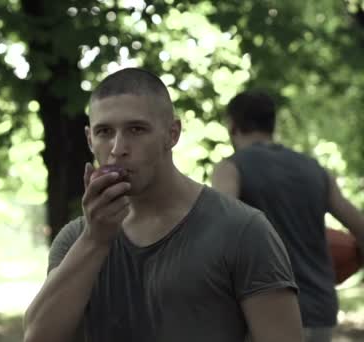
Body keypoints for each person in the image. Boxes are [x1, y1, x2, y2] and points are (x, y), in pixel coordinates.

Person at [23, 68, 304, 342]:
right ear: (89, 139)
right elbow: (38, 336)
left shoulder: (243, 230)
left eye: (136, 129)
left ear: (172, 134)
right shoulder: (76, 240)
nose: (118, 147)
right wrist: (95, 240)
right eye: (104, 132)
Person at [211, 90, 364, 342]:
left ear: (232, 126)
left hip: (264, 317)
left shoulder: (231, 168)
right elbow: (359, 228)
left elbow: (219, 234)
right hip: (320, 312)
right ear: (273, 124)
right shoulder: (314, 170)